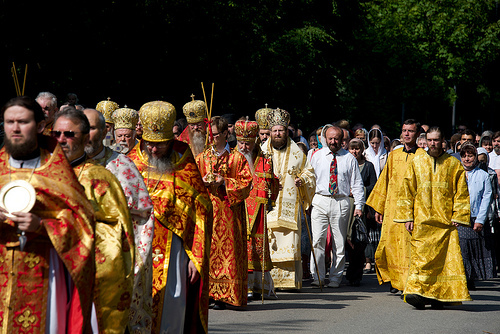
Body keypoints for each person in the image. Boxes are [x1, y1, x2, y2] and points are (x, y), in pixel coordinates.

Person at [0, 96, 95, 333]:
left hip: (44, 271)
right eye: (9, 122)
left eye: (22, 122)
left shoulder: (56, 169)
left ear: (41, 126)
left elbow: (83, 224)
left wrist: (42, 225)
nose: (15, 128)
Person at [128, 101, 212, 333]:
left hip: (174, 246)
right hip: (138, 246)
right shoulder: (131, 160)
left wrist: (196, 256)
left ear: (170, 140)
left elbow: (201, 208)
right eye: (150, 144)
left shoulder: (183, 157)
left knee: (173, 302)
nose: (154, 150)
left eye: (160, 145)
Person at [53, 107, 135, 333]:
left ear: (84, 137)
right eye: (57, 134)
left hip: (84, 275)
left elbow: (118, 234)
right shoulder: (40, 173)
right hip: (46, 273)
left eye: (70, 134)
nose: (62, 140)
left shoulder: (100, 178)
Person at [83, 108, 155, 332]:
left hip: (113, 262)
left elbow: (143, 214)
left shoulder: (122, 166)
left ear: (105, 130)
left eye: (92, 128)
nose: (86, 134)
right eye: (82, 129)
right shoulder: (63, 165)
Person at [395, 127, 471, 309]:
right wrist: (407, 217)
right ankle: (418, 294)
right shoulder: (417, 161)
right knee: (421, 260)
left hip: (445, 223)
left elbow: (461, 193)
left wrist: (458, 216)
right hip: (421, 221)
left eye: (436, 140)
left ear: (442, 141)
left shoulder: (454, 164)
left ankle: (438, 296)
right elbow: (407, 190)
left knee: (442, 263)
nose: (432, 144)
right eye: (429, 140)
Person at [196, 116, 252, 309]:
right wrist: (201, 182)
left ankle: (227, 296)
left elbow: (246, 183)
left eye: (217, 134)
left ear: (226, 134)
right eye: (210, 134)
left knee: (229, 253)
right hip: (208, 211)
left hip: (229, 212)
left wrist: (226, 181)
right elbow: (192, 181)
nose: (212, 138)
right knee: (208, 252)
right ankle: (209, 294)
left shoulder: (237, 158)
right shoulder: (202, 157)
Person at [366, 119, 425, 293]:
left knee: (409, 246)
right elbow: (384, 181)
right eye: (404, 130)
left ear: (417, 134)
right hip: (392, 208)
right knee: (390, 245)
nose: (407, 134)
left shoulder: (423, 157)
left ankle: (408, 282)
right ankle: (395, 280)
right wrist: (379, 207)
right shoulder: (394, 155)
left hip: (413, 210)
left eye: (411, 131)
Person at [262, 108, 316, 289]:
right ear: (270, 132)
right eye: (275, 130)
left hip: (289, 208)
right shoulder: (262, 152)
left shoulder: (297, 153)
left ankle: (288, 282)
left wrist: (304, 180)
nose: (278, 134)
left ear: (287, 132)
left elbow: (309, 172)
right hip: (268, 206)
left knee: (290, 242)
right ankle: (268, 280)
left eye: (281, 130)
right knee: (268, 243)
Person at [309, 126, 365, 288]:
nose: (333, 142)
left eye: (336, 139)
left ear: (342, 140)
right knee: (317, 240)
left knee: (339, 242)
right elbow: (310, 179)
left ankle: (335, 277)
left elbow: (357, 184)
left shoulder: (349, 159)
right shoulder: (317, 156)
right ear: (325, 139)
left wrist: (359, 205)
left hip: (341, 201)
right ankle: (317, 276)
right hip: (320, 200)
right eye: (330, 138)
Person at [235, 119, 280, 299]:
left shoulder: (264, 161)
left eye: (248, 143)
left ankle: (258, 287)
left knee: (256, 247)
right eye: (241, 143)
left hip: (257, 212)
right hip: (238, 209)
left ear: (254, 143)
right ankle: (239, 286)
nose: (244, 147)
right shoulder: (231, 159)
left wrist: (272, 191)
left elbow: (273, 183)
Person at [458, 143, 496, 289]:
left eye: (470, 155)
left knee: (473, 248)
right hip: (459, 217)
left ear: (476, 157)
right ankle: (462, 277)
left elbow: (486, 198)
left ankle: (471, 278)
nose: (467, 159)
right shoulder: (456, 172)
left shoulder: (483, 175)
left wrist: (480, 220)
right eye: (464, 156)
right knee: (462, 248)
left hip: (475, 217)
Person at [347, 139, 378, 275]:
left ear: (362, 150)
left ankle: (358, 271)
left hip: (363, 207)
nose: (354, 151)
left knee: (359, 240)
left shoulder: (368, 166)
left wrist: (360, 190)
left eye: (357, 148)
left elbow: (373, 185)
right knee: (347, 238)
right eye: (352, 149)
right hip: (347, 205)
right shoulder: (346, 163)